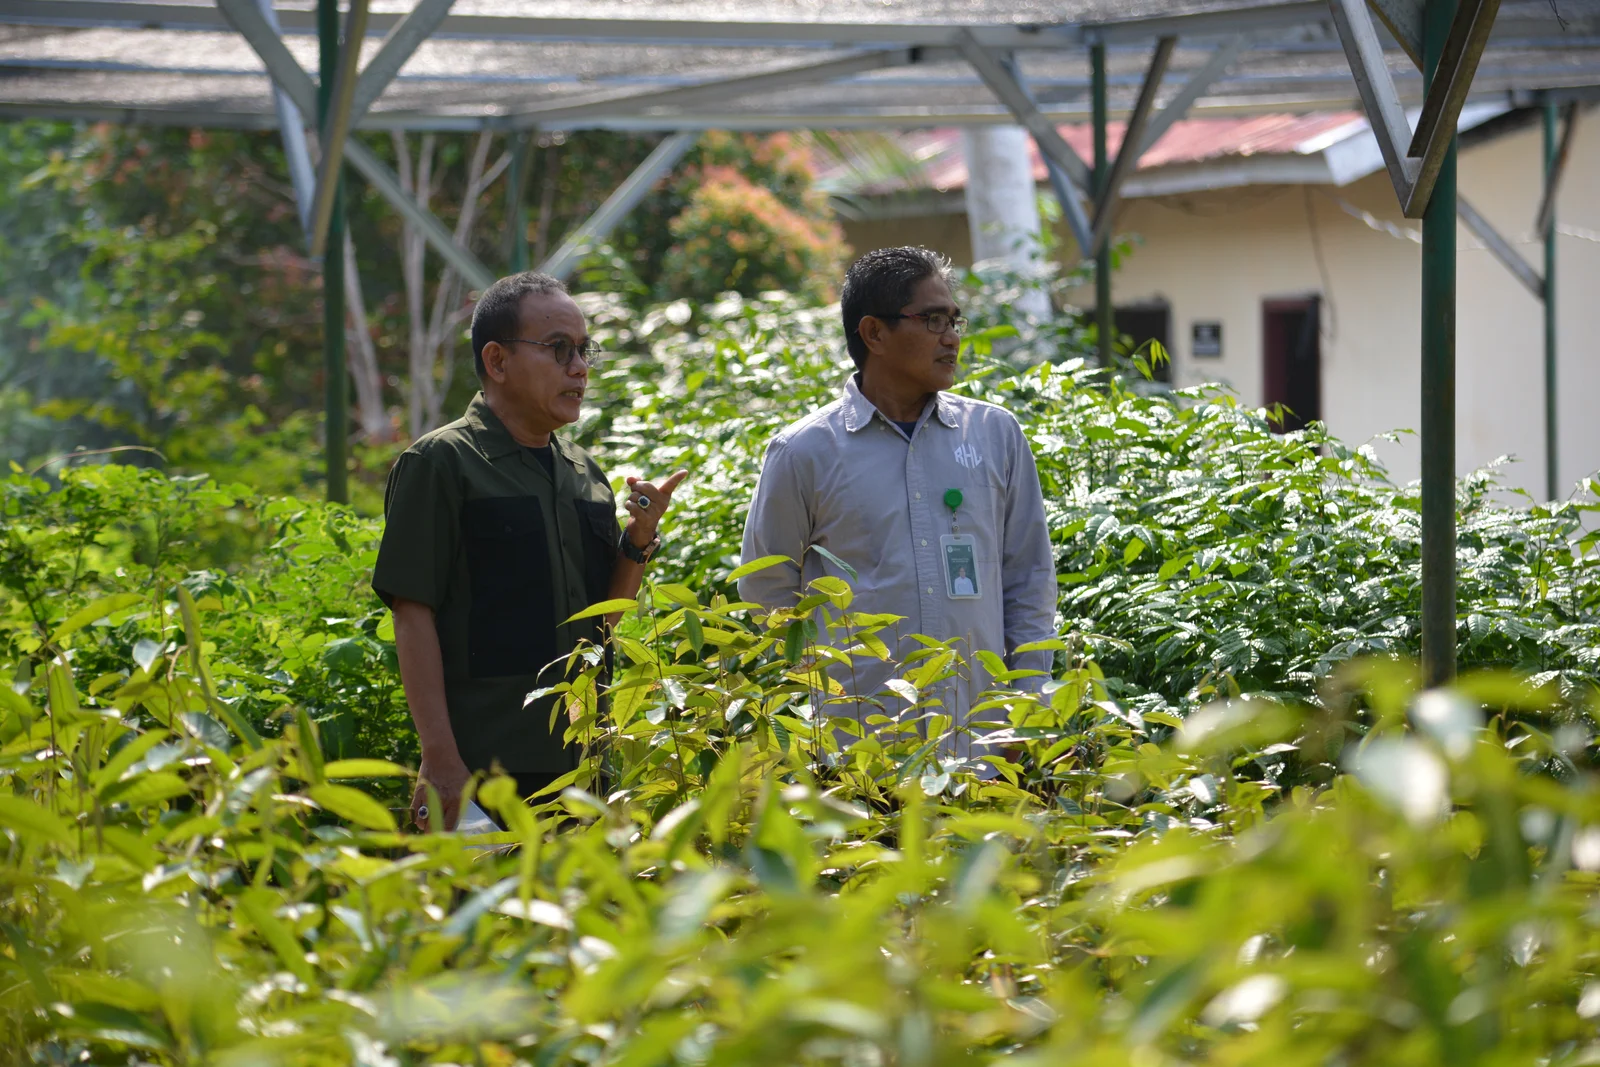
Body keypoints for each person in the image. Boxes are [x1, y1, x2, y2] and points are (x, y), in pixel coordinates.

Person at [373, 271, 686, 830]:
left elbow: (603, 623)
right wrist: (440, 756)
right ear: (496, 361)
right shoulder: (441, 464)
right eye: (559, 349)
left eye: (585, 351)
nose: (580, 368)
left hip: (583, 765)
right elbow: (411, 612)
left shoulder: (585, 474)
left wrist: (637, 544)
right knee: (480, 918)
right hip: (483, 773)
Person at [738, 246, 1055, 760]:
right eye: (932, 320)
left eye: (954, 320)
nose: (951, 337)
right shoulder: (804, 452)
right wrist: (818, 714)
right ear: (874, 333)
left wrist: (1026, 705)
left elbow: (1028, 579)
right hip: (858, 756)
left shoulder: (996, 435)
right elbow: (765, 593)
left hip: (984, 746)